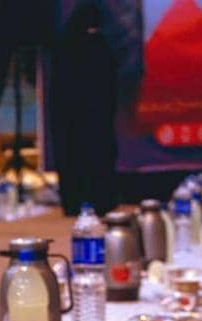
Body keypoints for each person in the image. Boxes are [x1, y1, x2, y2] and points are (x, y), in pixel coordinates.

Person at [51, 3, 118, 216]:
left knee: (71, 156)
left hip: (68, 116)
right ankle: (101, 200)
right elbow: (111, 83)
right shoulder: (100, 45)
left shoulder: (65, 44)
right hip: (96, 116)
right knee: (98, 154)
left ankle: (72, 202)